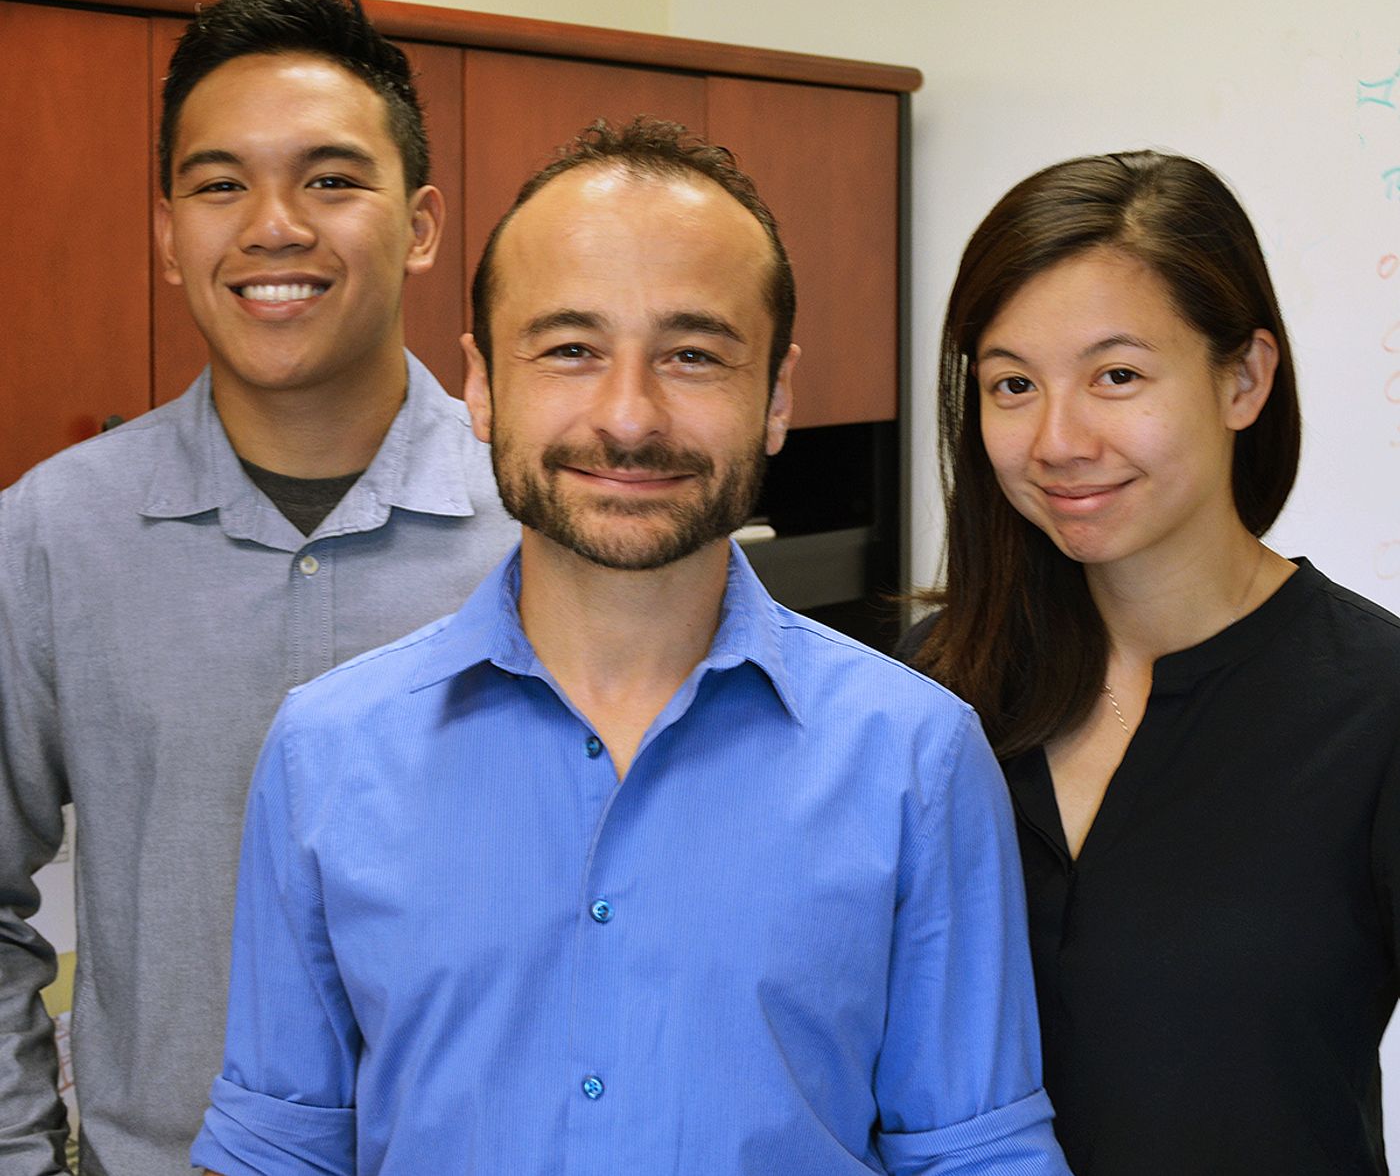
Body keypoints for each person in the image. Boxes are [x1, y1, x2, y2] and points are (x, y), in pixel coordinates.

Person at [191, 118, 1072, 1176]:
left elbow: (977, 1157)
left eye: (691, 354)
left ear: (776, 395)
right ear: (478, 384)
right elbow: (275, 1153)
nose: (626, 415)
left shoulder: (916, 758)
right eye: (569, 347)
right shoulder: (324, 751)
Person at [0, 0, 517, 1176]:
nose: (272, 224)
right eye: (219, 182)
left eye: (331, 179)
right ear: (167, 229)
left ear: (423, 223)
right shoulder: (52, 532)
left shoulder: (538, 523)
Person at [898, 149, 1400, 1175]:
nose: (1056, 438)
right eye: (1010, 384)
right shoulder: (925, 685)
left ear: (1242, 378)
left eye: (1115, 375)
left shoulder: (1374, 702)